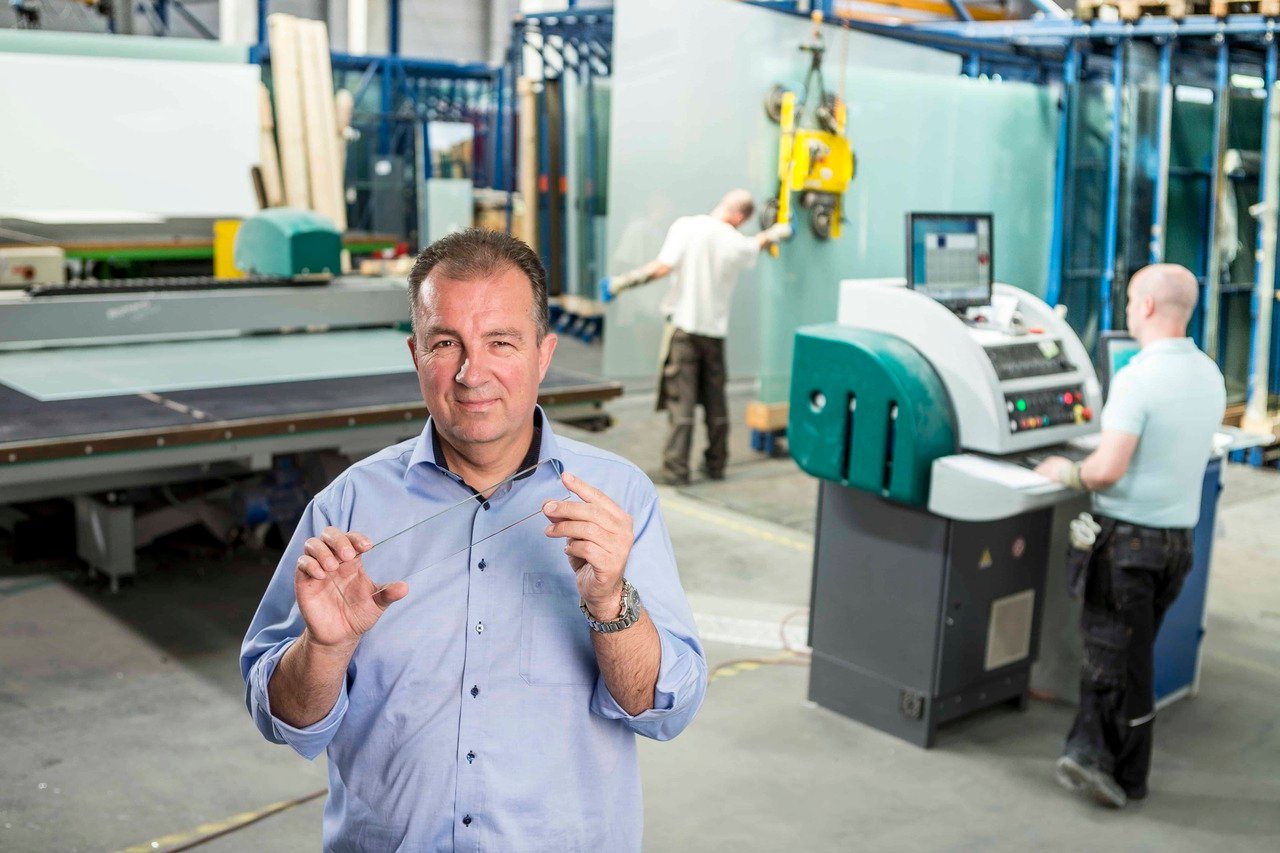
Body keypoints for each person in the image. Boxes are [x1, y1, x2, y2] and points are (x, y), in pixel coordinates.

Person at [240, 229, 707, 850]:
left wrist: (611, 604)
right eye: (445, 343)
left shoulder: (618, 500)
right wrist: (324, 650)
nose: (471, 372)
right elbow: (285, 721)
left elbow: (664, 710)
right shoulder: (348, 505)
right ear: (415, 355)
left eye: (501, 342)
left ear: (544, 354)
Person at [1035, 263, 1226, 809]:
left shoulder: (1140, 377)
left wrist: (1062, 471)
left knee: (1108, 663)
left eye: (1129, 302)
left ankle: (1109, 768)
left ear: (1143, 307)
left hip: (1127, 545)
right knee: (1131, 657)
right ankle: (1101, 757)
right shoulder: (1207, 373)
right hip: (1176, 546)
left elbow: (1105, 471)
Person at [603, 189, 792, 485]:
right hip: (714, 335)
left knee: (682, 404)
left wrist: (621, 284)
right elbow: (758, 243)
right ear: (740, 217)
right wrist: (780, 231)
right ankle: (716, 464)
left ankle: (678, 471)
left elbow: (661, 268)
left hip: (684, 331)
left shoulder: (686, 227)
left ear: (724, 206)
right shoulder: (735, 241)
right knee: (716, 404)